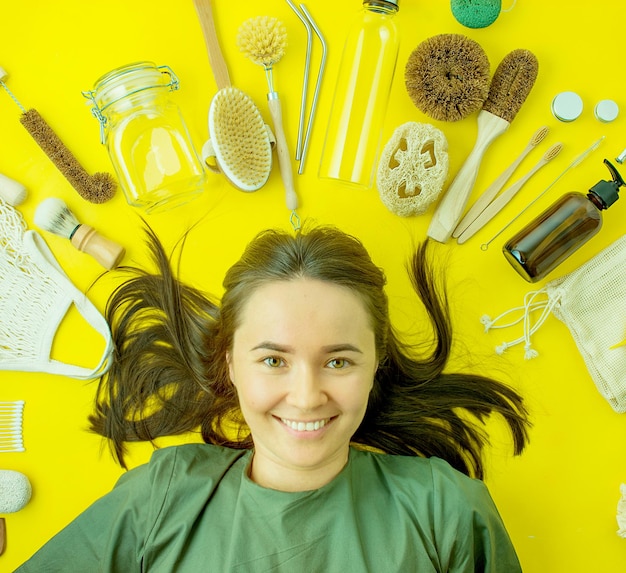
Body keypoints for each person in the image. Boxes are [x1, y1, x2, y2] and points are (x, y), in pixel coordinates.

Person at [17, 224, 530, 572]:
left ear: (376, 367)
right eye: (273, 360)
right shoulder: (162, 497)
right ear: (231, 366)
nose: (306, 397)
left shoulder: (447, 511)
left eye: (338, 361)